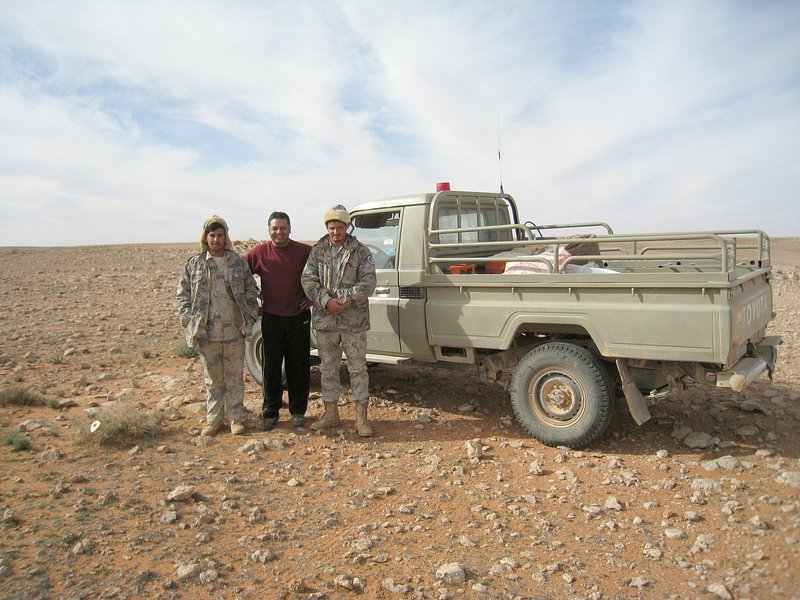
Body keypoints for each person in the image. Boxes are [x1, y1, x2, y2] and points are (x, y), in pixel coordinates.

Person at [177, 215, 259, 436]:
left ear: (225, 237)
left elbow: (251, 289)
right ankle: (214, 420)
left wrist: (249, 316)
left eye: (220, 235)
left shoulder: (237, 262)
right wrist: (189, 320)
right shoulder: (195, 264)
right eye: (212, 235)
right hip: (206, 333)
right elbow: (182, 294)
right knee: (212, 380)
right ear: (206, 237)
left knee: (234, 378)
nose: (216, 239)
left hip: (234, 331)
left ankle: (235, 419)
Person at [301, 204, 377, 436]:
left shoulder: (361, 251)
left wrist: (341, 300)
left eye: (340, 227)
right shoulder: (317, 251)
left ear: (347, 227)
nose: (336, 231)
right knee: (328, 369)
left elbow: (368, 283)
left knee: (357, 370)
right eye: (332, 227)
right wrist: (326, 301)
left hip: (353, 322)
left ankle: (361, 420)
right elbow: (308, 280)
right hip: (326, 323)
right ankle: (331, 414)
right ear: (327, 227)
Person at [245, 212, 312, 430]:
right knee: (271, 367)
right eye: (275, 228)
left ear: (290, 229)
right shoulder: (259, 253)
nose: (279, 232)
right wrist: (255, 294)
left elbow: (323, 274)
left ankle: (298, 412)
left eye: (283, 228)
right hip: (271, 318)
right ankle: (270, 411)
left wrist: (312, 297)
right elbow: (239, 273)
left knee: (299, 366)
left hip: (298, 317)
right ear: (269, 230)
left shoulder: (304, 252)